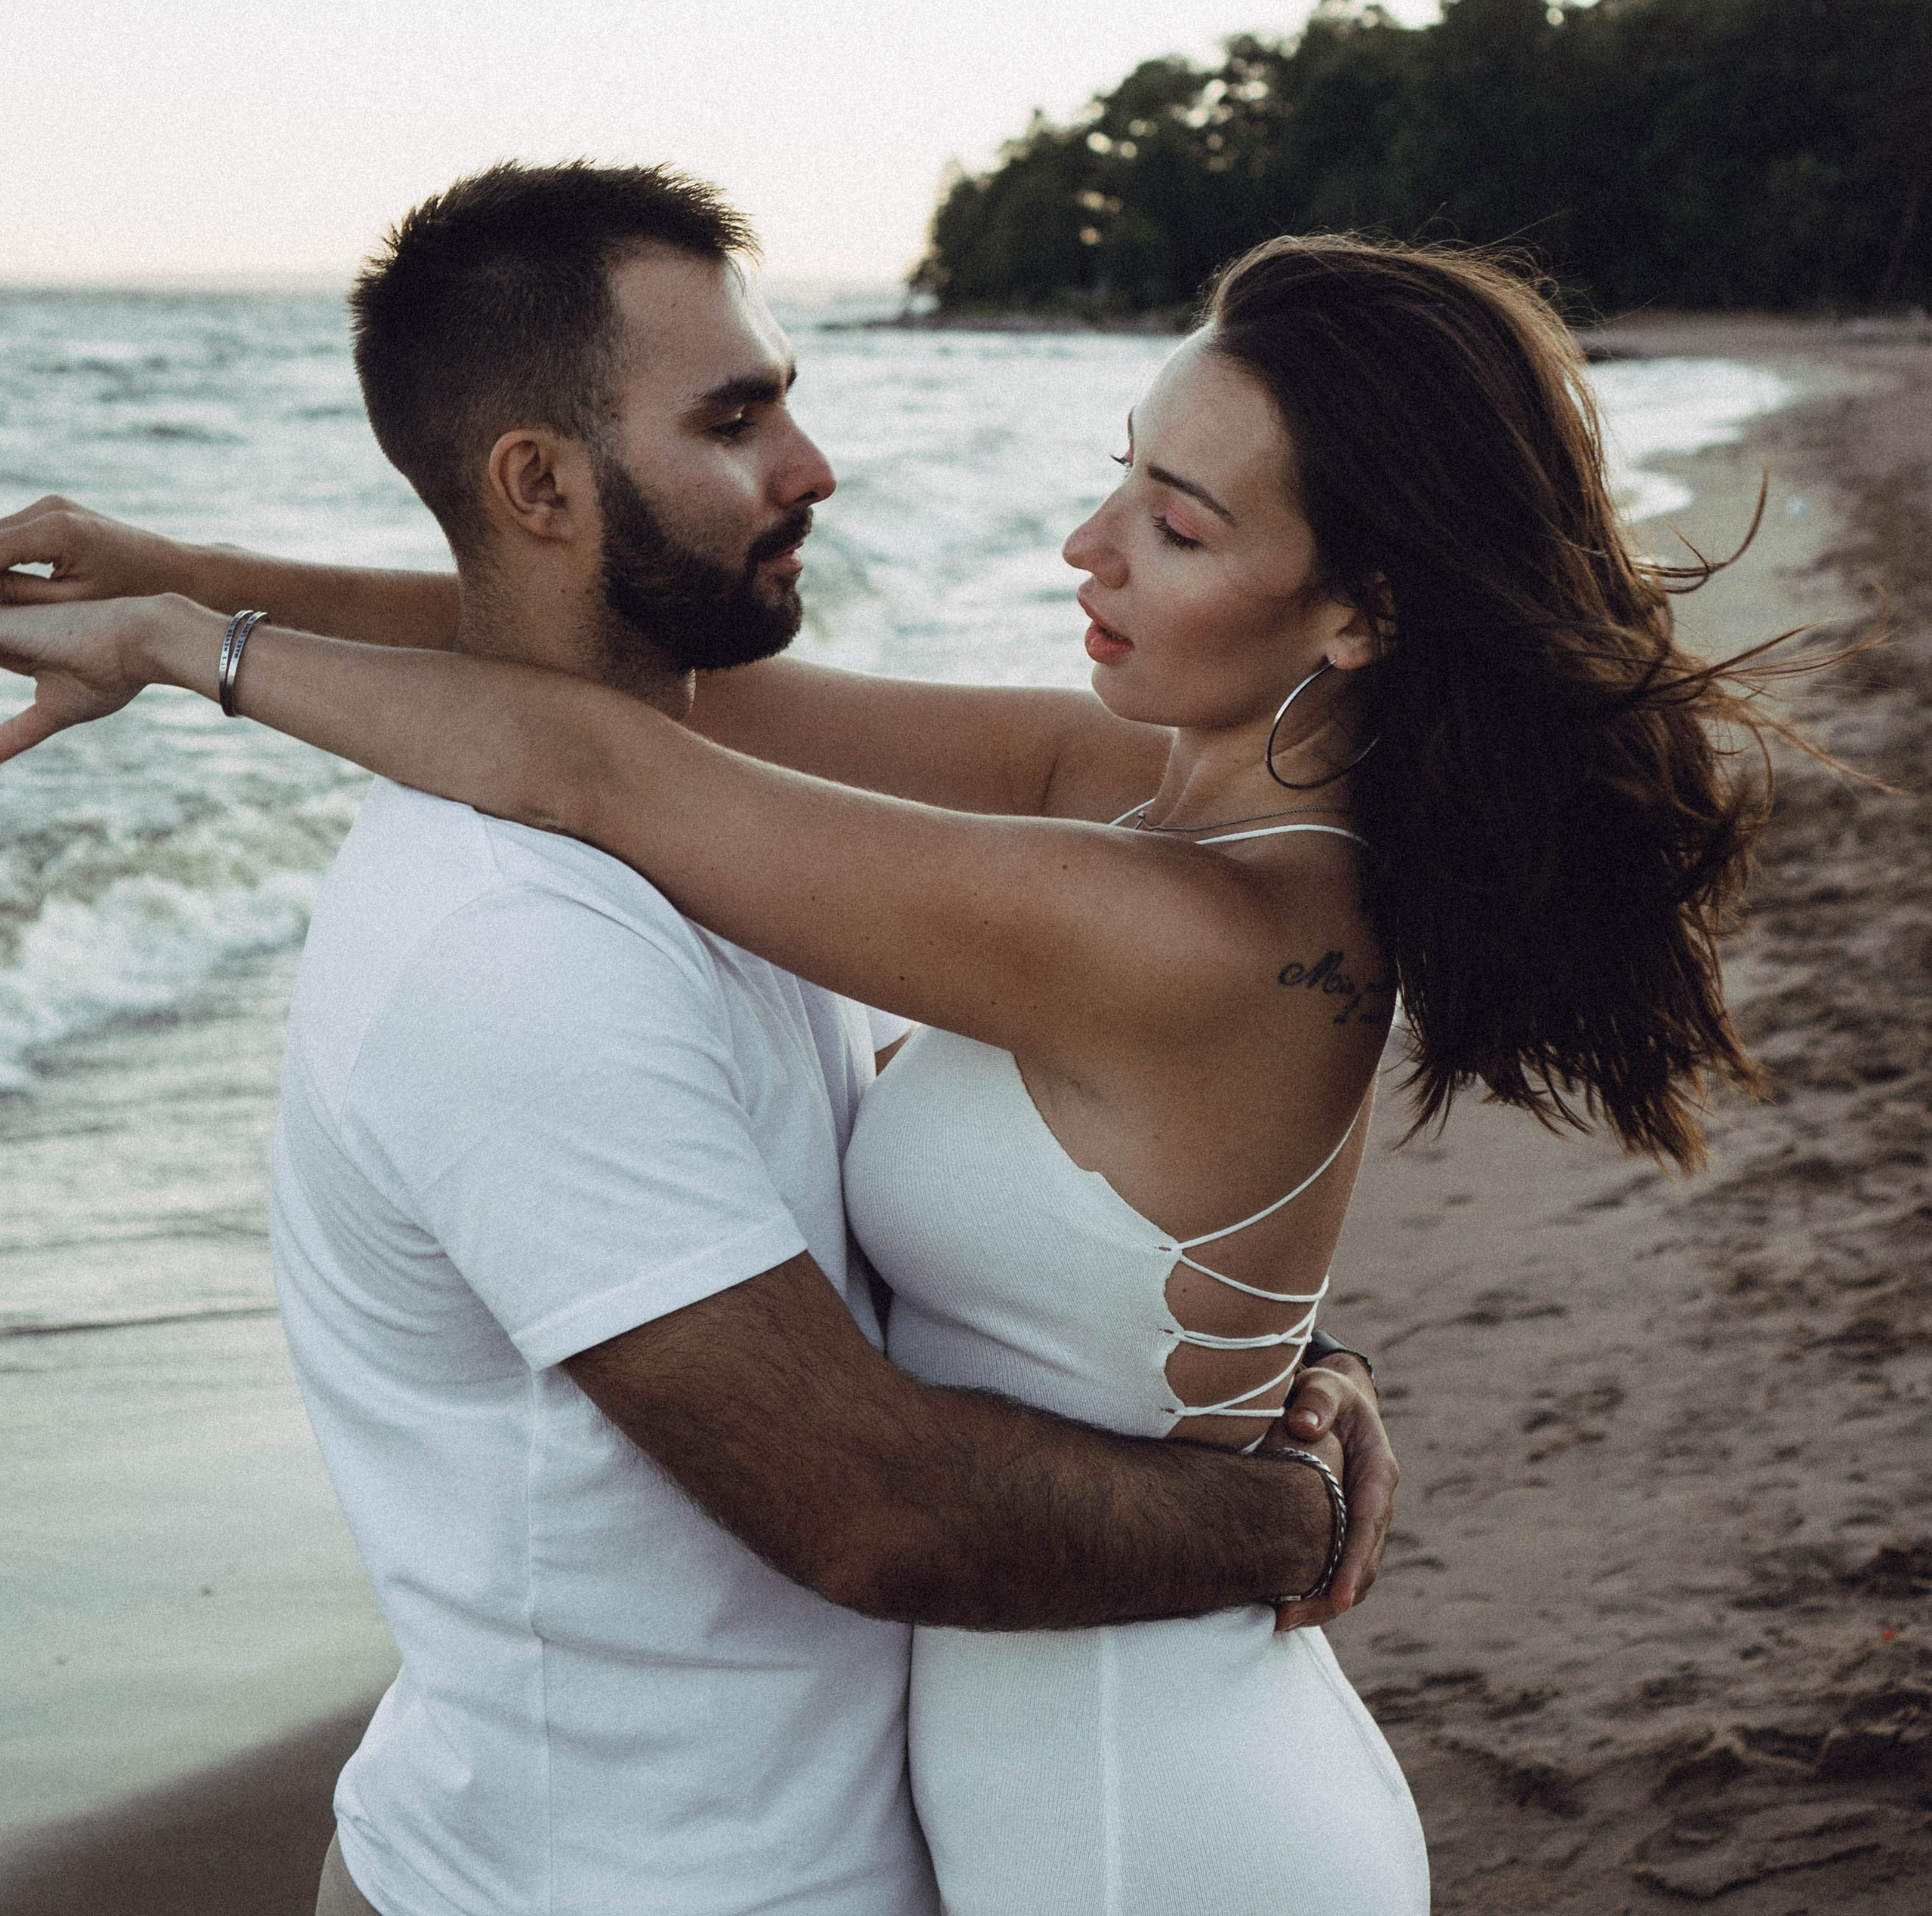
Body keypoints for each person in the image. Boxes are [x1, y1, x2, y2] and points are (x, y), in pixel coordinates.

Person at [0, 164, 1410, 1916]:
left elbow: (593, 739)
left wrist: (190, 639)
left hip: (1103, 1824)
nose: (815, 468)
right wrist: (1270, 1472)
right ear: (535, 483)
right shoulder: (524, 931)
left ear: (1357, 612)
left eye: (1176, 522)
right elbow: (587, 730)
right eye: (736, 420)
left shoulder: (1083, 882)